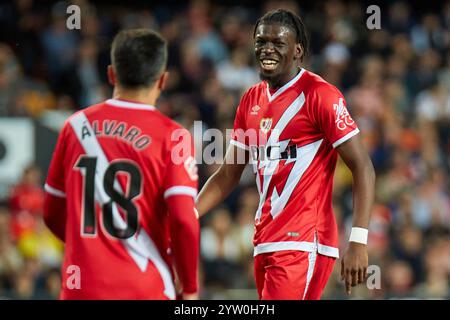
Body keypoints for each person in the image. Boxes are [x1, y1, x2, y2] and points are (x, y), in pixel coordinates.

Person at [196, 9, 376, 300]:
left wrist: (358, 240)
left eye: (277, 43)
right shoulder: (250, 100)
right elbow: (228, 173)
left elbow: (363, 167)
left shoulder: (320, 95)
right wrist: (190, 214)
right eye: (260, 41)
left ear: (297, 50)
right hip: (265, 239)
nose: (267, 49)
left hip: (303, 242)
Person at [43, 29, 200, 300]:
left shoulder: (74, 126)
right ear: (163, 80)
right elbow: (184, 220)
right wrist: (190, 287)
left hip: (82, 289)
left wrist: (91, 250)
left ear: (111, 74)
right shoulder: (174, 137)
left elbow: (51, 212)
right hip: (145, 287)